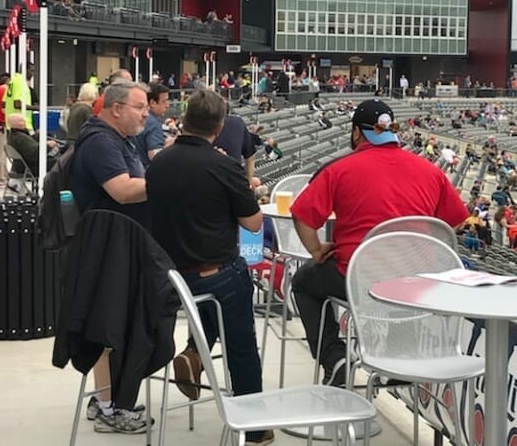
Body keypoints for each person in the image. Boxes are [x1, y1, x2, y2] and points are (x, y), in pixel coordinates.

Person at [290, 99, 469, 387]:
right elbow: (455, 222)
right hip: (414, 285)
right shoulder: (431, 170)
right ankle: (399, 363)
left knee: (302, 281)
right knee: (404, 288)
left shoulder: (339, 170)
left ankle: (334, 356)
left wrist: (315, 250)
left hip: (359, 282)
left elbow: (302, 217)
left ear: (357, 133)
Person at [145, 90, 272, 446]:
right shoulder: (224, 166)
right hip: (214, 273)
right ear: (219, 127)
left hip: (169, 277)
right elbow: (252, 222)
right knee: (242, 345)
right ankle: (255, 429)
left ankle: (194, 353)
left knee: (213, 299)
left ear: (184, 121)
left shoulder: (158, 164)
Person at [71, 80, 149, 430]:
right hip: (104, 248)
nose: (146, 114)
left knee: (118, 326)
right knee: (107, 329)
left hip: (119, 243)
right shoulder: (101, 142)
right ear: (116, 108)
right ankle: (107, 408)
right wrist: (170, 176)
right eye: (140, 107)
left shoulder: (117, 138)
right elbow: (121, 190)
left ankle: (106, 397)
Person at [134, 83, 174, 167]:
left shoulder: (135, 118)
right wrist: (169, 146)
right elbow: (155, 156)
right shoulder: (153, 124)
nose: (167, 105)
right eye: (164, 101)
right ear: (152, 103)